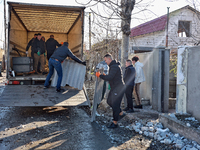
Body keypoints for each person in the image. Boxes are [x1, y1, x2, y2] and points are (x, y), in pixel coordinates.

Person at [96, 53, 126, 129]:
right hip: (114, 88)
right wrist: (105, 76)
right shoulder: (112, 66)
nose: (105, 62)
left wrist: (100, 76)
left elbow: (110, 77)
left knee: (115, 105)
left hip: (118, 88)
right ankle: (121, 113)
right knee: (109, 101)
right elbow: (112, 77)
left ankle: (115, 123)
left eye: (105, 60)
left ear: (109, 59)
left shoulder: (114, 66)